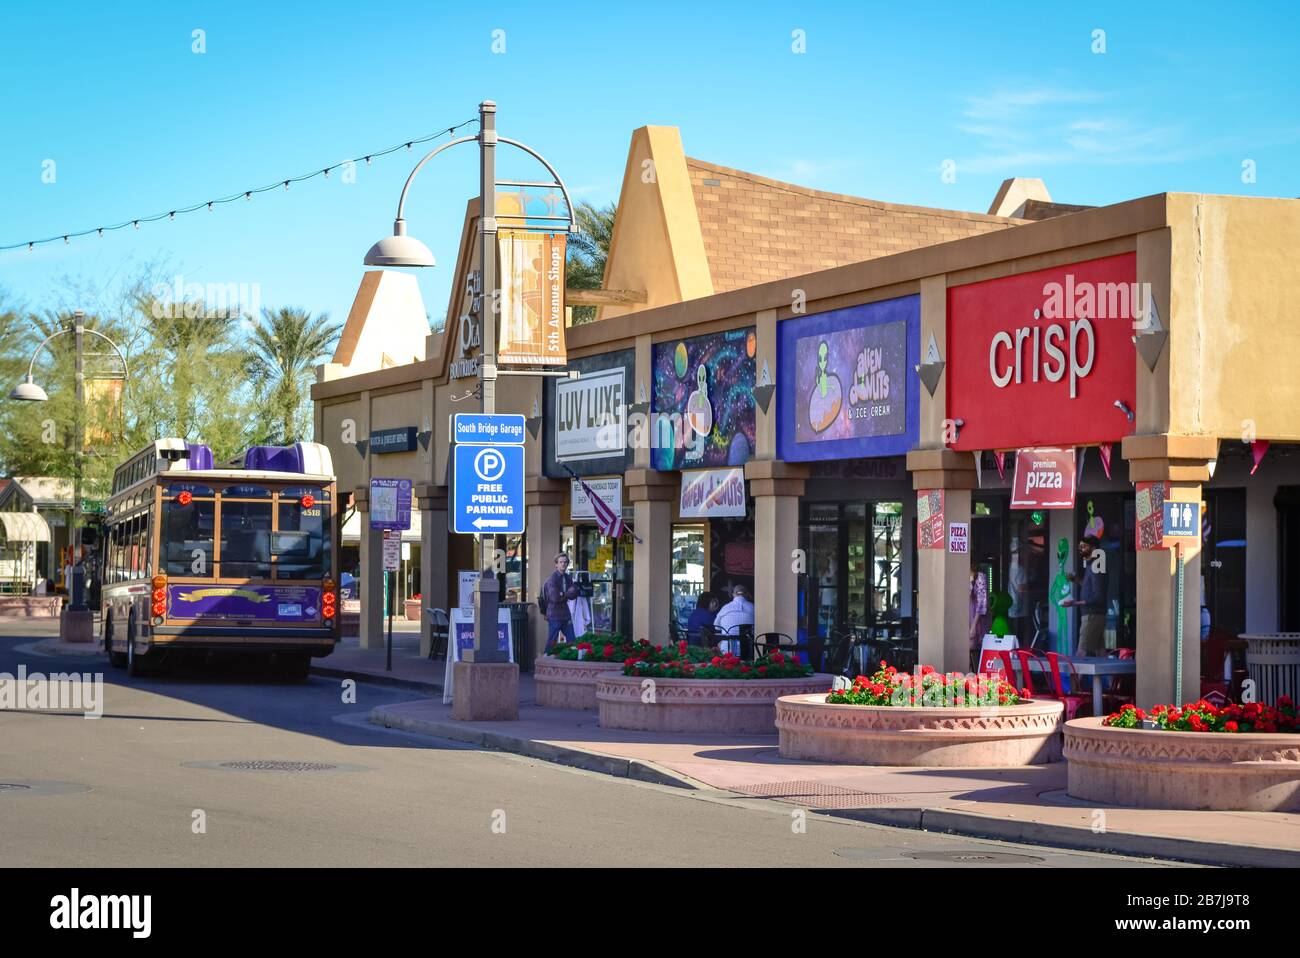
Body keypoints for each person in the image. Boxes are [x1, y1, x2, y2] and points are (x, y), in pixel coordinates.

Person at [1064, 536, 1108, 656]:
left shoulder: (1096, 567)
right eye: (1080, 547)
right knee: (1100, 652)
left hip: (1092, 615)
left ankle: (1077, 675)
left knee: (1081, 652)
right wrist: (1076, 580)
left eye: (1084, 547)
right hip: (1095, 614)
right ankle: (1100, 676)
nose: (1080, 549)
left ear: (1093, 549)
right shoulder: (1092, 566)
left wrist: (1073, 603)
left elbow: (1098, 597)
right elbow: (1090, 587)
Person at [539, 553, 580, 653]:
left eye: (565, 562)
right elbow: (554, 597)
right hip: (554, 614)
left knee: (572, 640)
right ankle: (545, 660)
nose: (563, 564)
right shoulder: (552, 579)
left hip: (566, 614)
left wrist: (563, 593)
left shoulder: (568, 577)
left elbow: (575, 592)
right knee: (552, 641)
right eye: (561, 562)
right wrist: (567, 594)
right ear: (556, 565)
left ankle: (572, 661)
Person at [713, 584, 755, 655]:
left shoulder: (725, 608)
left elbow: (716, 626)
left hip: (728, 650)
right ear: (747, 594)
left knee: (721, 643)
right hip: (749, 650)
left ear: (733, 594)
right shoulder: (753, 607)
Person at [968, 566, 989, 671]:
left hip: (975, 617)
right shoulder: (960, 575)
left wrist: (973, 625)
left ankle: (976, 674)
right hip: (965, 614)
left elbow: (982, 603)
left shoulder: (980, 577)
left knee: (973, 645)